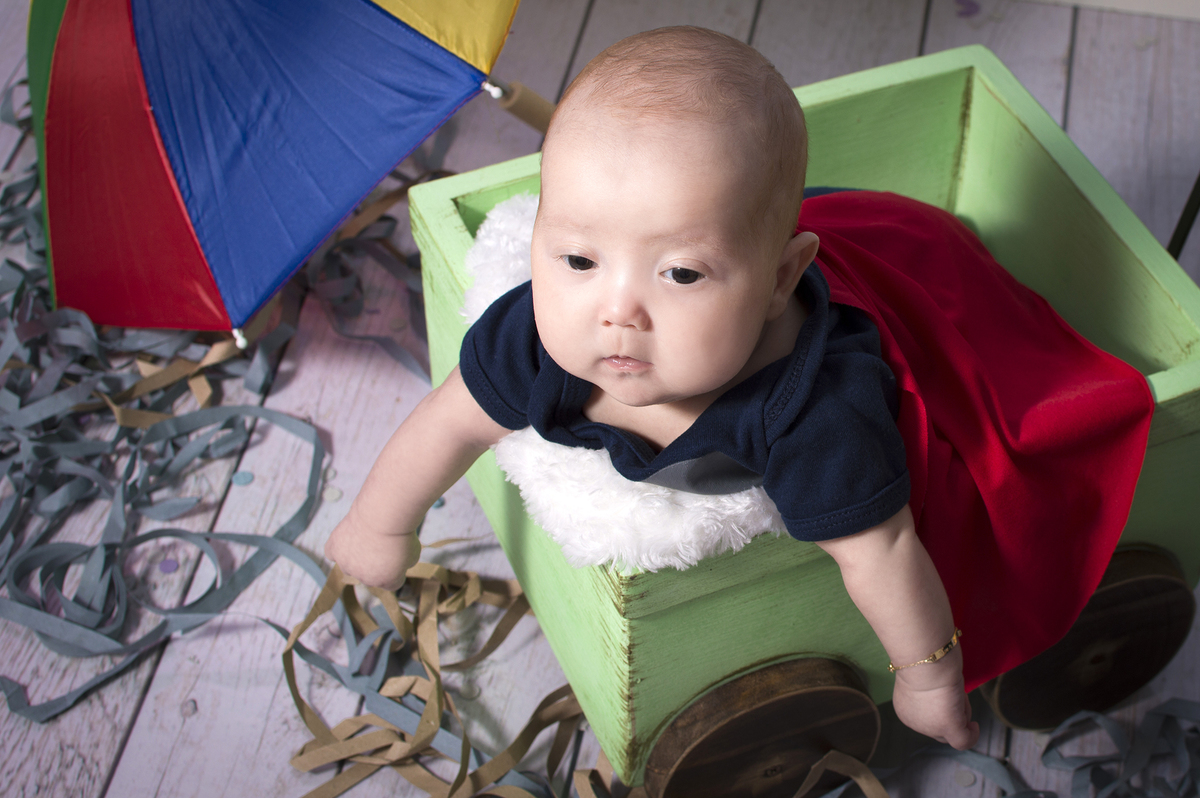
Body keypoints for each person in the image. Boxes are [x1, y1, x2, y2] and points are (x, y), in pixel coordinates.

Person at [326, 26, 1152, 752]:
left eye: (681, 272)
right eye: (577, 258)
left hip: (878, 317)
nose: (617, 313)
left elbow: (883, 552)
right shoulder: (536, 335)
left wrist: (928, 678)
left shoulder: (816, 414)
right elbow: (448, 421)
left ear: (781, 278)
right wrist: (377, 523)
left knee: (968, 327)